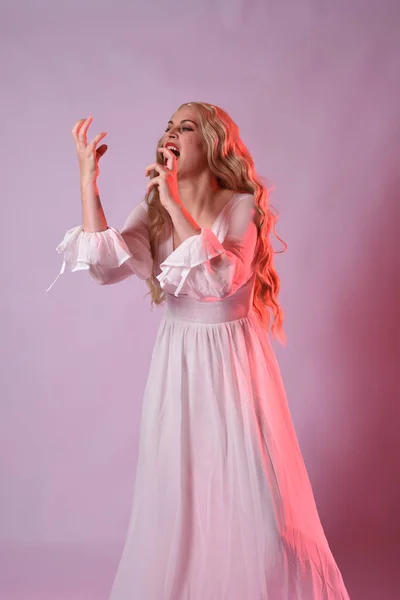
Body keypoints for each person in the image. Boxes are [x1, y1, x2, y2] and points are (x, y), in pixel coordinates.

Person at [47, 102, 351, 599]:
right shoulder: (151, 207)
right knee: (182, 507)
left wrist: (172, 205)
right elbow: (106, 265)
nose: (171, 133)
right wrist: (88, 179)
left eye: (185, 127)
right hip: (178, 367)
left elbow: (214, 279)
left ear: (211, 144)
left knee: (257, 507)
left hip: (233, 368)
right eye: (168, 125)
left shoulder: (240, 207)